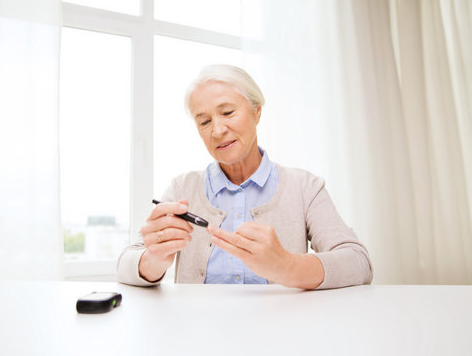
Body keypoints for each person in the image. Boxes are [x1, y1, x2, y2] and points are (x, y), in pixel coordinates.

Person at [117, 64, 373, 289]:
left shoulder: (305, 186)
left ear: (257, 111)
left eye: (228, 113)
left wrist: (287, 266)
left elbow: (358, 262)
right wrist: (153, 261)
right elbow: (126, 262)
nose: (217, 130)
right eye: (204, 122)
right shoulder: (183, 188)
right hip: (198, 333)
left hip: (281, 331)